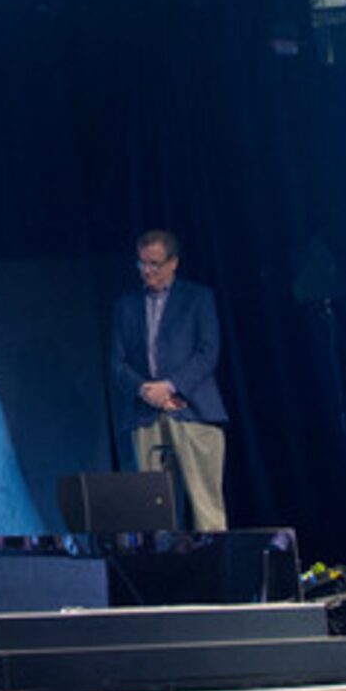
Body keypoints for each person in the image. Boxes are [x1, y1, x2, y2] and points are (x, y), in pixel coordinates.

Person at [110, 227, 228, 531]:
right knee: (151, 512)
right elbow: (118, 363)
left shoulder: (198, 298)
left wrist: (171, 386)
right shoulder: (127, 305)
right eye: (142, 264)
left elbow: (208, 352)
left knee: (206, 506)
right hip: (145, 415)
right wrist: (144, 390)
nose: (147, 271)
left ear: (173, 263)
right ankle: (162, 571)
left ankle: (217, 571)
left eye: (154, 264)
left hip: (192, 410)